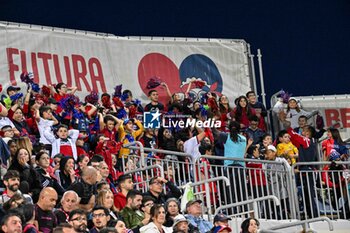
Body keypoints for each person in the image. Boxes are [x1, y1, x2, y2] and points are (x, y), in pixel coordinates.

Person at [265, 145, 290, 219]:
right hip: (272, 187)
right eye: (267, 153)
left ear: (274, 153)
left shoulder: (281, 160)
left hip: (282, 186)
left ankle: (286, 217)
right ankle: (277, 217)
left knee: (284, 203)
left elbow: (289, 169)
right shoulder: (265, 163)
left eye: (269, 152)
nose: (267, 154)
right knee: (274, 204)